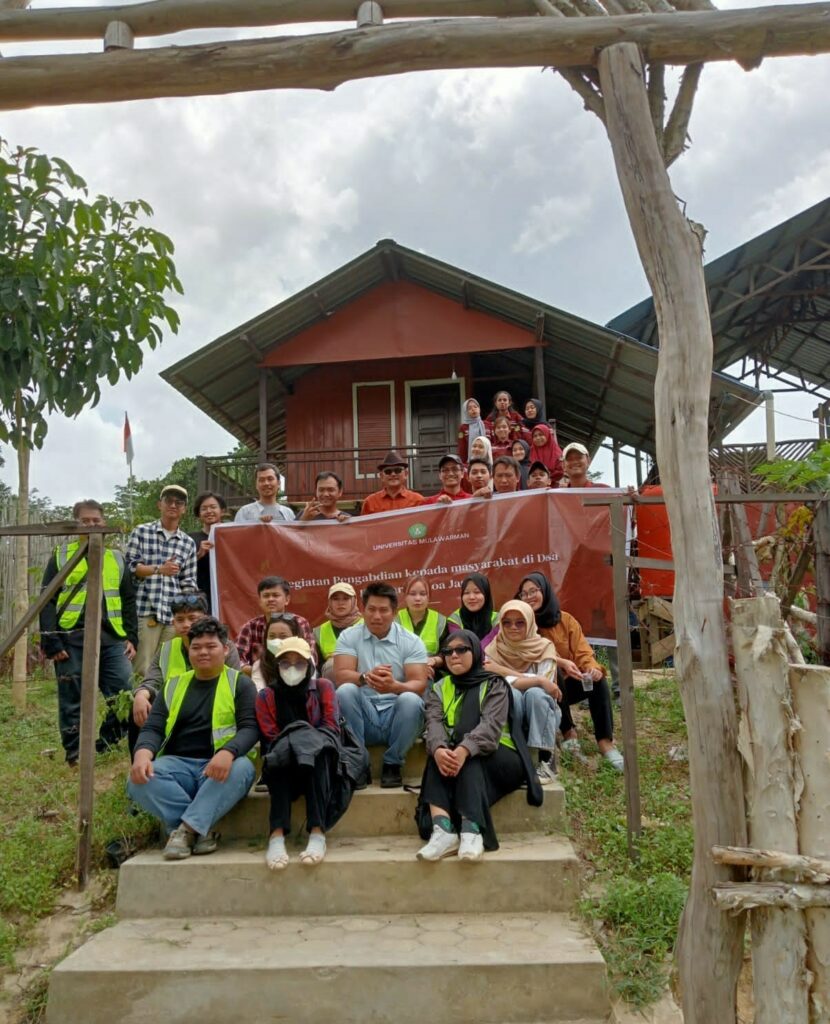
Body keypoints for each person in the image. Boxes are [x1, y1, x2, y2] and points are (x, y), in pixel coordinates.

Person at [127, 617, 258, 860]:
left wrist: (227, 752)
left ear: (226, 649)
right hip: (178, 766)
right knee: (138, 779)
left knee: (243, 767)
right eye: (196, 647)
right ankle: (199, 829)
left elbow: (250, 728)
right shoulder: (172, 686)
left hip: (222, 768)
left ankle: (184, 831)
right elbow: (153, 728)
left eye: (211, 647)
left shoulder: (240, 683)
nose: (203, 652)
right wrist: (142, 754)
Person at [416, 630, 542, 861]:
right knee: (439, 755)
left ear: (475, 651)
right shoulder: (439, 687)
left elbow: (490, 727)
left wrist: (464, 750)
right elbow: (433, 723)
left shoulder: (495, 684)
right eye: (448, 651)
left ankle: (471, 830)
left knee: (467, 758)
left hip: (501, 756)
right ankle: (442, 831)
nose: (454, 655)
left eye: (461, 649)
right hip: (460, 754)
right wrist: (440, 749)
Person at [40, 499, 138, 766]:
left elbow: (128, 600)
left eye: (97, 521)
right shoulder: (61, 556)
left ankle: (103, 744)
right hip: (70, 639)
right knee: (72, 698)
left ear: (104, 523)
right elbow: (46, 600)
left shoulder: (116, 558)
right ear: (76, 524)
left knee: (125, 695)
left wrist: (132, 637)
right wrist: (51, 639)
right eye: (86, 521)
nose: (92, 525)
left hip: (112, 639)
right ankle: (74, 754)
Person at [516, 572, 623, 772]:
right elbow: (529, 655)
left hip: (569, 686)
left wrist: (591, 667)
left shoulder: (565, 620)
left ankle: (605, 742)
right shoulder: (520, 624)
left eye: (534, 591)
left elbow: (583, 652)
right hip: (537, 689)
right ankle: (568, 734)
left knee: (597, 680)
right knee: (552, 669)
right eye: (524, 594)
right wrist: (561, 662)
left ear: (545, 592)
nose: (529, 597)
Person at [255, 637, 342, 869]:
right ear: (277, 666)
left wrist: (304, 742)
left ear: (310, 665)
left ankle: (317, 832)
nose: (292, 668)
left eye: (299, 662)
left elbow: (331, 727)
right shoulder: (266, 696)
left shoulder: (323, 687)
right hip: (285, 763)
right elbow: (270, 736)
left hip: (318, 764)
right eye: (285, 663)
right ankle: (276, 835)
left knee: (318, 751)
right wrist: (296, 742)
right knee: (280, 754)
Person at [333, 581, 429, 788]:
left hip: (398, 717)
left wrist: (394, 686)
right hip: (362, 715)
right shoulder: (348, 637)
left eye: (384, 610)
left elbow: (420, 684)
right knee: (345, 691)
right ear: (363, 610)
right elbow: (340, 675)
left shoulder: (411, 642)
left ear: (394, 612)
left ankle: (393, 764)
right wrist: (365, 677)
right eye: (372, 609)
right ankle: (359, 763)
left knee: (411, 699)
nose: (377, 616)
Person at [129, 592, 242, 752]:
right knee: (139, 706)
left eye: (192, 618)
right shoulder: (167, 648)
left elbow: (236, 685)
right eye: (180, 620)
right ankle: (142, 763)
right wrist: (140, 695)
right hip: (174, 711)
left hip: (213, 709)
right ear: (173, 622)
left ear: (205, 618)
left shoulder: (225, 647)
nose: (186, 624)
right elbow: (152, 681)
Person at [484, 601, 562, 783]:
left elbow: (545, 686)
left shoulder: (544, 647)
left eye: (520, 622)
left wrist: (504, 672)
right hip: (510, 713)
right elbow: (496, 685)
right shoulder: (494, 649)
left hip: (544, 715)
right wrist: (537, 679)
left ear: (529, 623)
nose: (513, 628)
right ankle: (516, 754)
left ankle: (545, 758)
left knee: (535, 694)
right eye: (507, 623)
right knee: (510, 692)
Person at [125, 484, 197, 679]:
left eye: (179, 502)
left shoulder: (188, 542)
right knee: (142, 667)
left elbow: (189, 581)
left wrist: (188, 612)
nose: (173, 505)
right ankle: (137, 707)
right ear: (160, 505)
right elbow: (130, 569)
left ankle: (163, 708)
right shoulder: (141, 532)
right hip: (146, 610)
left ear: (184, 509)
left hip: (174, 615)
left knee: (169, 667)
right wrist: (158, 569)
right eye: (169, 501)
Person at [235, 576, 316, 669]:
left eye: (275, 595)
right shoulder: (250, 626)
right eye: (266, 596)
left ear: (287, 599)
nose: (270, 599)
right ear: (260, 601)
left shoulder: (300, 623)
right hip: (257, 678)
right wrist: (255, 671)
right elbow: (237, 659)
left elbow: (311, 656)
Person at [396, 575, 447, 678]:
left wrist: (434, 660)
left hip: (433, 674)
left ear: (429, 597)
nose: (418, 598)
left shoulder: (441, 621)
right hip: (401, 673)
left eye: (423, 594)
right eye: (412, 594)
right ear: (405, 596)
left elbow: (447, 653)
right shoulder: (395, 621)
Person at [314, 582, 363, 675]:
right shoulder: (319, 631)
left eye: (346, 598)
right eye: (336, 599)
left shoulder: (368, 626)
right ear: (330, 602)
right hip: (332, 684)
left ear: (354, 601)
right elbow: (316, 667)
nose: (341, 603)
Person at [189, 491, 227, 612]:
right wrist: (198, 555)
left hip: (228, 599)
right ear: (199, 514)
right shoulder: (189, 539)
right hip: (200, 599)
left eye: (213, 507)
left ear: (222, 511)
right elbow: (180, 569)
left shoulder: (232, 536)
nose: (209, 511)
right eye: (204, 508)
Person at [361, 451, 424, 515]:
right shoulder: (370, 502)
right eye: (388, 471)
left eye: (397, 470)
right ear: (381, 476)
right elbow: (362, 524)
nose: (393, 474)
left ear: (406, 474)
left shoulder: (418, 501)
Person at [251, 612, 301, 691]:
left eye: (283, 636)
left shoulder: (307, 660)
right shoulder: (259, 665)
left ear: (295, 637)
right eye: (272, 636)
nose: (277, 641)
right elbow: (259, 694)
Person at [448, 573, 499, 648]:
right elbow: (460, 645)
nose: (471, 597)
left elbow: (494, 641)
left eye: (477, 592)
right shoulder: (455, 619)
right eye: (466, 593)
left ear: (486, 594)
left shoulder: (498, 619)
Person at [457, 398, 488, 464]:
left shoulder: (487, 424)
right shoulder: (463, 427)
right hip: (471, 461)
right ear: (466, 411)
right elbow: (462, 448)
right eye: (469, 408)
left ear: (479, 409)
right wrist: (463, 463)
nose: (473, 409)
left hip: (487, 460)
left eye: (475, 407)